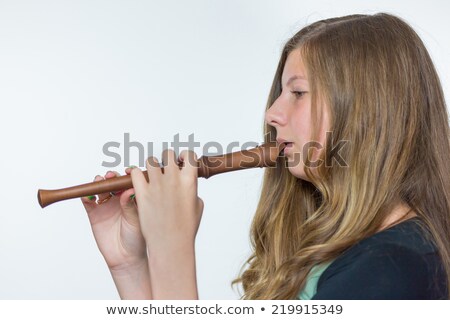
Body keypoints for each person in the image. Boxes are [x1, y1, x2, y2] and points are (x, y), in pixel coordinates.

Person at [81, 12, 450, 299]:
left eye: (298, 93)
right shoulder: (348, 254)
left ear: (369, 110)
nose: (272, 113)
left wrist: (171, 245)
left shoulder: (394, 269)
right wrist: (130, 267)